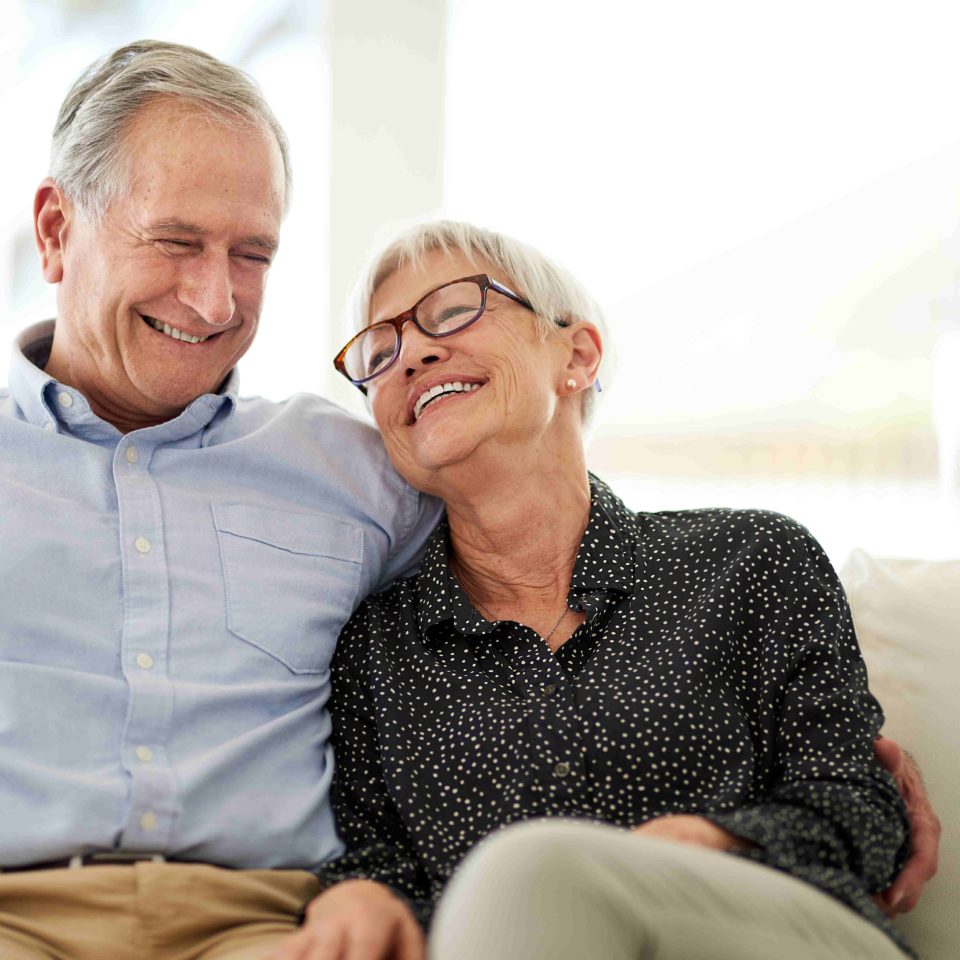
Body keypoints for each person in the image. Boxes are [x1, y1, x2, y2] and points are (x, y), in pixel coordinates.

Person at [283, 221, 925, 960]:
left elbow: (868, 810)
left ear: (577, 356)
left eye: (454, 310)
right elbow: (371, 864)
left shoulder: (752, 558)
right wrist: (357, 893)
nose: (412, 354)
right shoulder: (372, 648)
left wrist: (712, 839)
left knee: (535, 867)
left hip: (772, 933)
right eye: (378, 350)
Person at [0, 41, 440, 960]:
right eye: (174, 241)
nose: (213, 300)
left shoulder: (357, 472)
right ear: (54, 231)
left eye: (252, 254)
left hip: (262, 928)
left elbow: (539, 571)